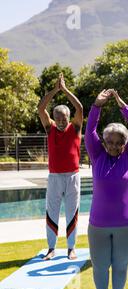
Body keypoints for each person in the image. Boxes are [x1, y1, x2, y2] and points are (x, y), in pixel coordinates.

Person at [85, 89, 128, 289]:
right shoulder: (97, 155)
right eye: (109, 141)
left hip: (127, 225)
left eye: (119, 143)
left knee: (120, 266)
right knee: (100, 267)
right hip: (98, 225)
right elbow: (89, 130)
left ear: (125, 144)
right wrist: (97, 106)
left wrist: (122, 106)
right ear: (103, 142)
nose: (114, 146)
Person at [37, 73, 83, 260]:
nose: (62, 120)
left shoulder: (76, 128)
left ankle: (71, 248)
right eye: (58, 117)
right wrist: (55, 90)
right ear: (54, 118)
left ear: (69, 117)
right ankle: (51, 248)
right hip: (55, 177)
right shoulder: (51, 129)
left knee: (73, 211)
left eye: (64, 117)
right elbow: (41, 108)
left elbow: (79, 107)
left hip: (73, 176)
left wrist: (65, 90)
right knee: (52, 211)